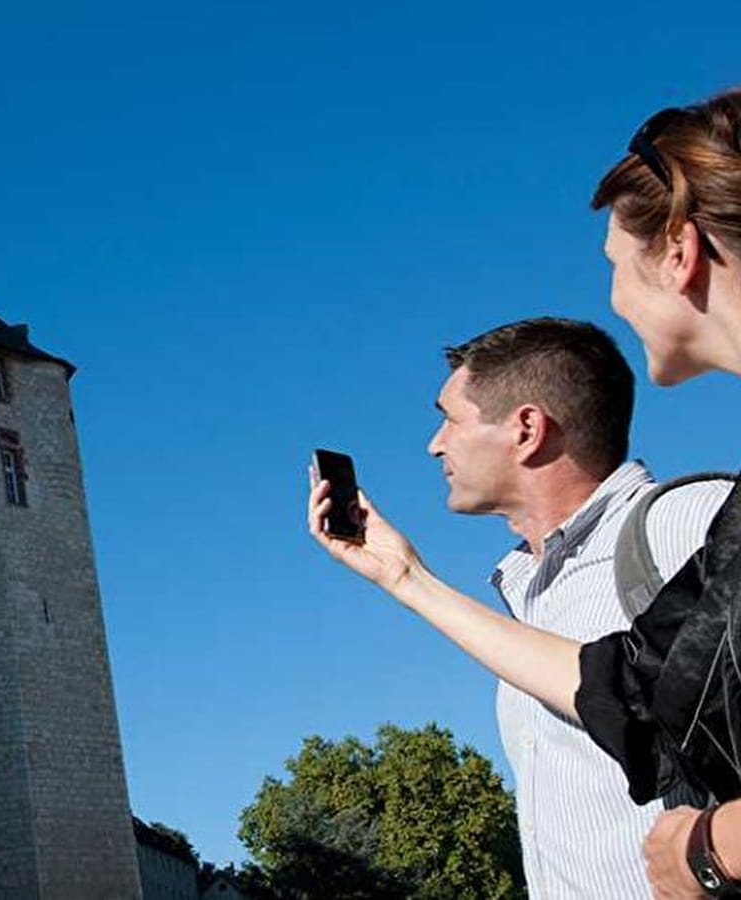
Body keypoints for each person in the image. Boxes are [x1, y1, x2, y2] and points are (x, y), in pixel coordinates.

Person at [309, 89, 741, 899]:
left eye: (615, 264)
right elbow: (617, 690)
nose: (433, 444)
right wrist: (405, 578)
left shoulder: (693, 522)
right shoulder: (523, 588)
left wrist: (710, 852)